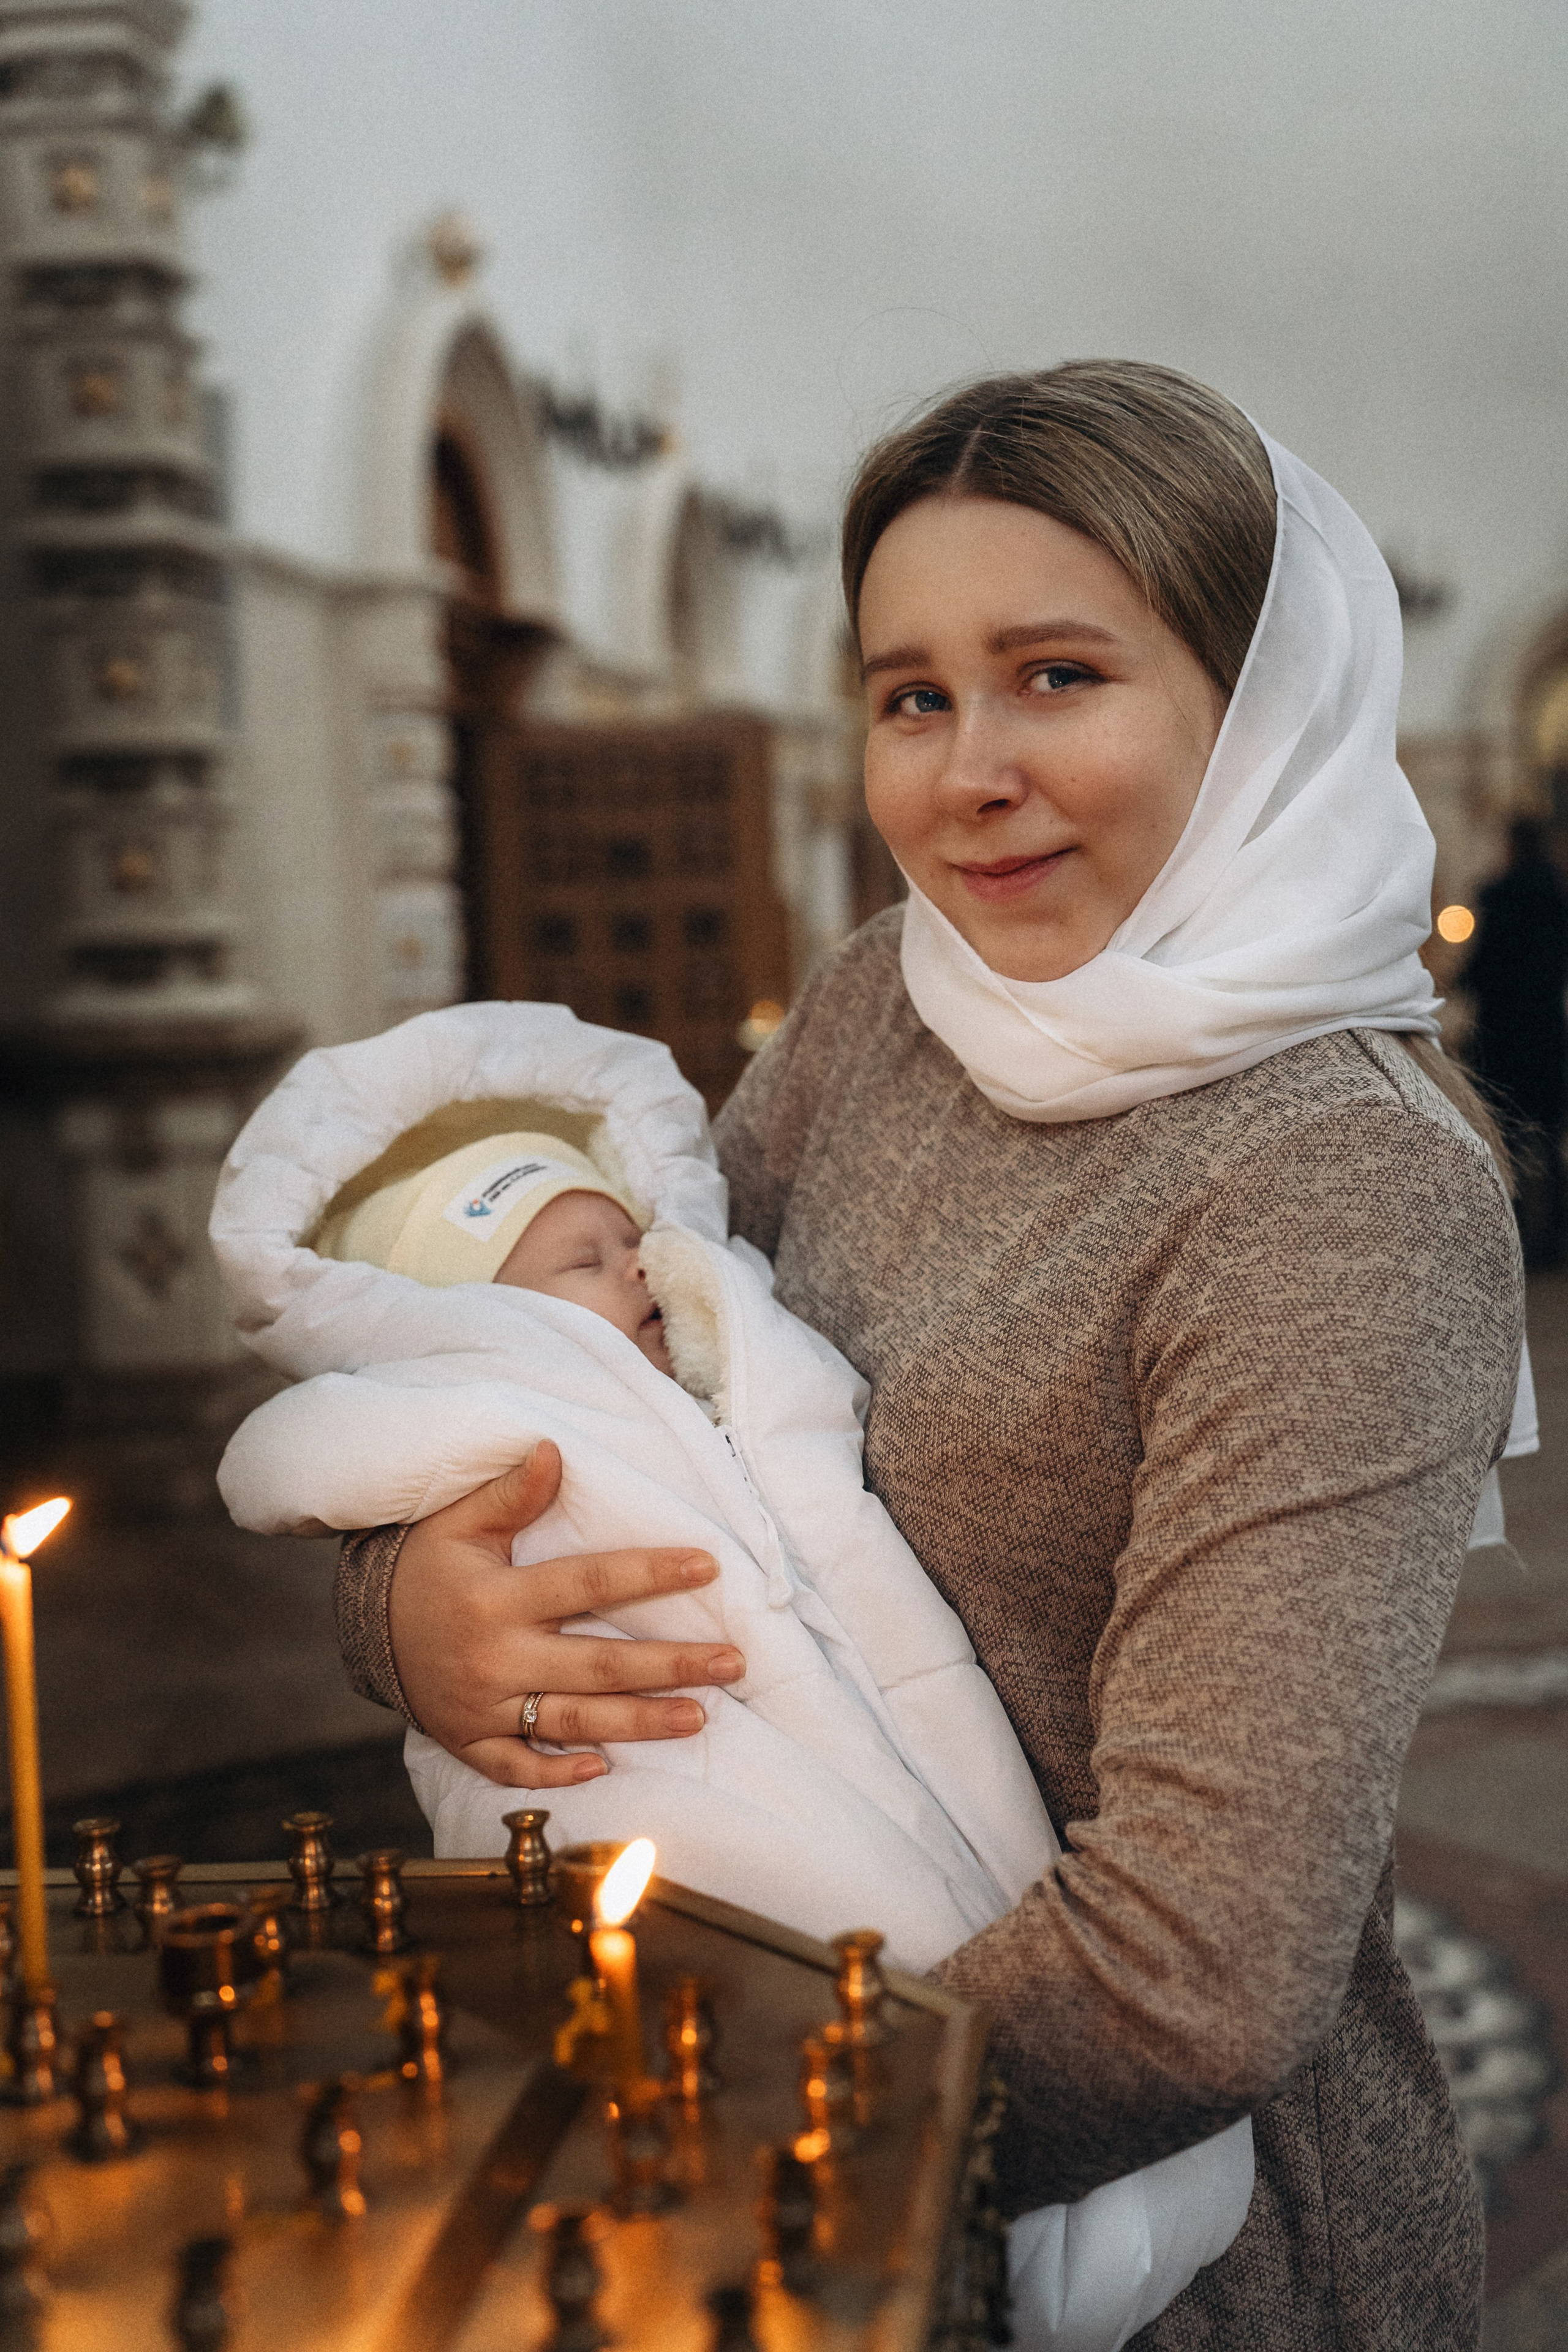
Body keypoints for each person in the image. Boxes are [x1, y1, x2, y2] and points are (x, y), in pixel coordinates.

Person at [328, 363, 1523, 2348]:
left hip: (1141, 2237)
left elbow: (1200, 1967)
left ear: (1260, 709)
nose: (967, 771)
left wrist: (696, 2150)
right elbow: (596, 1372)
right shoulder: (896, 998)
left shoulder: (1336, 1190)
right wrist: (413, 1612)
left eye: (1060, 675)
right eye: (911, 693)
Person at [209, 1016, 1255, 2352]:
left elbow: (1231, 1956)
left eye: (628, 1236)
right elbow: (312, 1456)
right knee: (759, 1981)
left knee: (938, 1917)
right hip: (644, 1769)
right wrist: (398, 1605)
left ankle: (958, 2206)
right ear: (457, 1319)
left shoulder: (727, 1353)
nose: (640, 1261)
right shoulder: (492, 1393)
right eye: (581, 1258)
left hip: (906, 1752)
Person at [1461, 814, 1568, 1267]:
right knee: (1551, 1139)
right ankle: (1558, 1233)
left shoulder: (1499, 899)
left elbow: (1480, 971)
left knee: (1507, 1140)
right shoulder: (1558, 901)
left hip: (1503, 1038)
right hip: (1547, 1035)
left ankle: (1517, 1233)